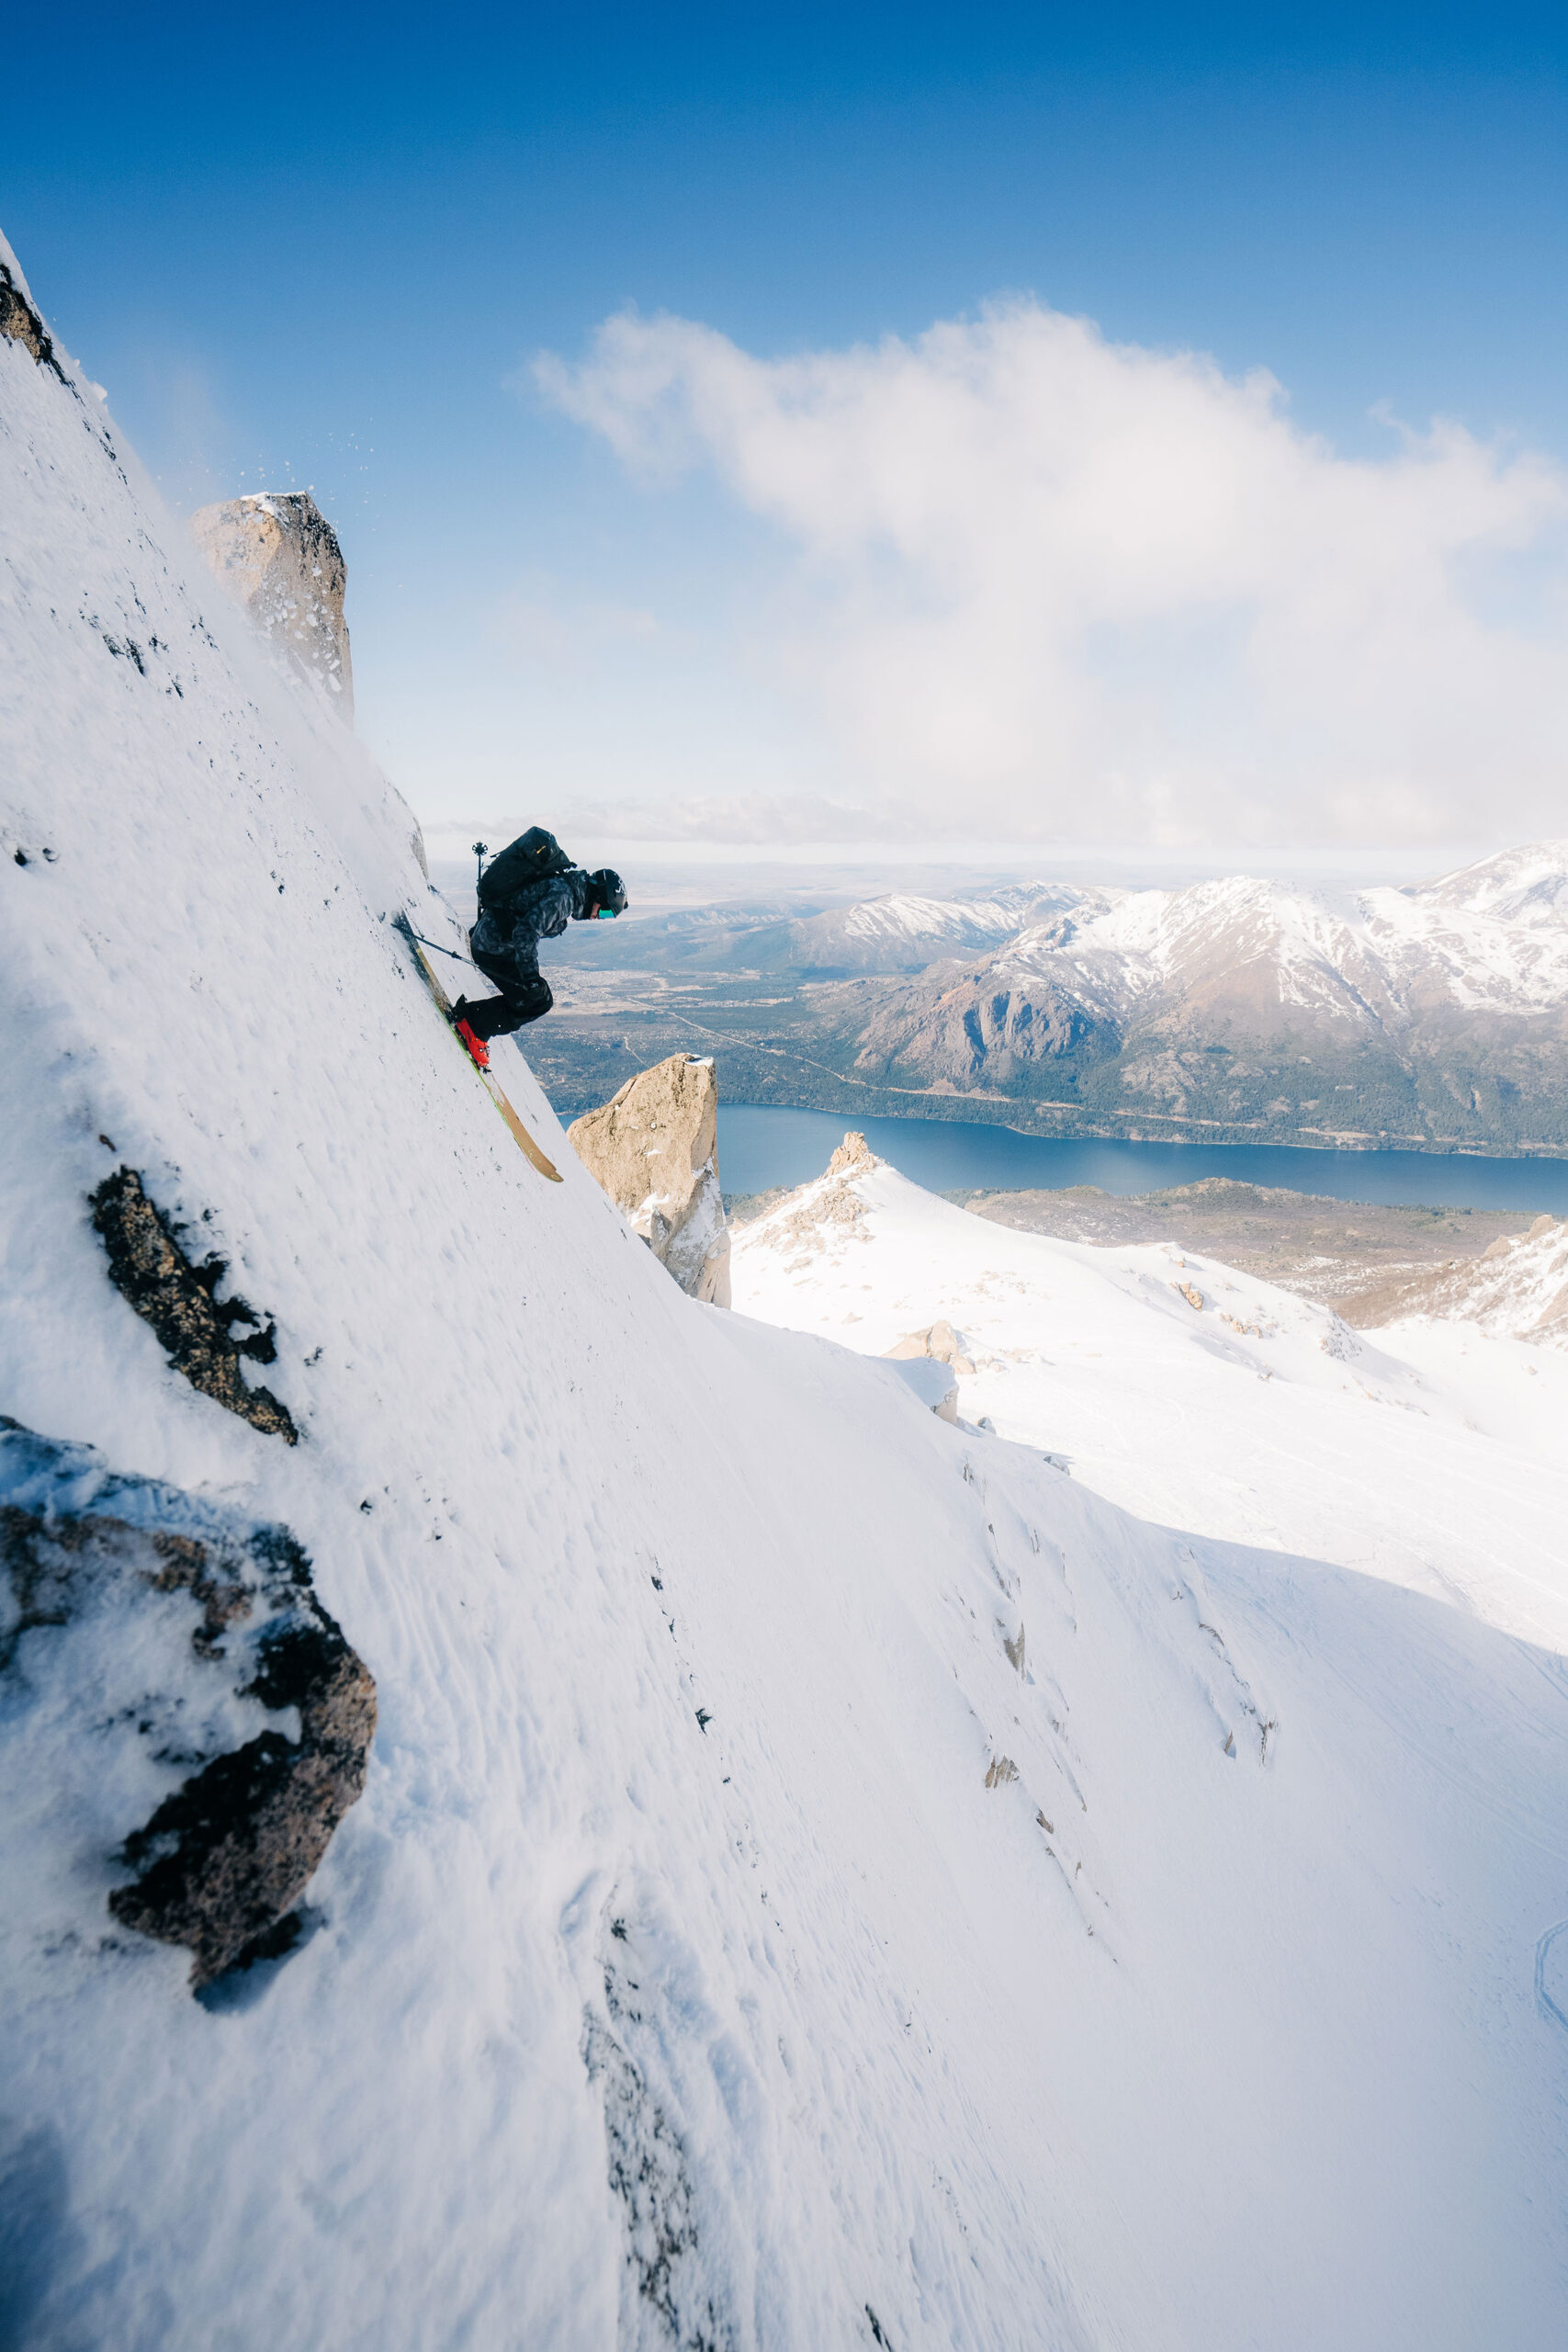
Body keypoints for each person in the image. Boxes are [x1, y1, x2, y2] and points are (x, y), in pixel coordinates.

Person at [450, 827, 627, 1046]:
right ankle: (472, 1026)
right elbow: (526, 931)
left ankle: (471, 1018)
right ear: (597, 896)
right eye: (605, 911)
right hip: (491, 947)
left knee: (535, 996)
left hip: (490, 937)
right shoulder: (563, 898)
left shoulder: (564, 887)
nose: (600, 917)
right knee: (538, 1001)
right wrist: (531, 978)